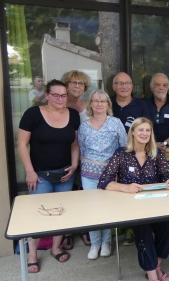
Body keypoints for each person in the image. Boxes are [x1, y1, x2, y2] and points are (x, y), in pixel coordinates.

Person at [97, 117, 169, 281]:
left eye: (148, 130)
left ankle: (156, 265)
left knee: (168, 223)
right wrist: (125, 187)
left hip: (154, 204)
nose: (144, 133)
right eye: (141, 130)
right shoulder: (121, 154)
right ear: (133, 133)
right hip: (131, 207)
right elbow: (104, 181)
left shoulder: (154, 154)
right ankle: (153, 276)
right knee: (143, 228)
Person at [17, 79, 80, 273]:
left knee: (61, 213)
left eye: (64, 95)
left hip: (64, 174)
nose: (61, 98)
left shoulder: (74, 115)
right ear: (47, 95)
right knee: (39, 216)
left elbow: (74, 144)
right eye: (56, 95)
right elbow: (21, 145)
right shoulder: (33, 114)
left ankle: (55, 247)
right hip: (39, 176)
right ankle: (32, 254)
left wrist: (75, 165)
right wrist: (30, 171)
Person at [78, 90, 127, 260]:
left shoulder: (116, 123)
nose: (99, 104)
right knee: (92, 210)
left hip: (110, 174)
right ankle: (95, 243)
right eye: (96, 101)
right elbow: (82, 149)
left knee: (107, 209)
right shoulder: (84, 126)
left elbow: (123, 147)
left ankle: (106, 242)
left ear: (108, 104)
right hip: (89, 175)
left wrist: (118, 171)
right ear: (90, 104)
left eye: (103, 101)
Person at [111, 72, 150, 246]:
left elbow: (146, 127)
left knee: (132, 185)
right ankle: (114, 226)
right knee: (115, 188)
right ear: (114, 86)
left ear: (132, 86)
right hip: (110, 155)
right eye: (120, 83)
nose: (124, 86)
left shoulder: (141, 105)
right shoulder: (107, 104)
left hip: (133, 154)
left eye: (127, 83)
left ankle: (131, 227)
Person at [61, 70, 92, 248]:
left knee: (83, 193)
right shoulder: (59, 104)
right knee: (68, 194)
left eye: (81, 84)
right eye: (73, 83)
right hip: (64, 154)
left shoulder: (88, 106)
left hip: (86, 157)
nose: (77, 86)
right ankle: (67, 231)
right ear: (66, 84)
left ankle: (85, 228)